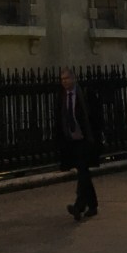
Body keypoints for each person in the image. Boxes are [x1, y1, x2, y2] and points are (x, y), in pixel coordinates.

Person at [56, 67, 100, 220]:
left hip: (84, 139)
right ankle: (92, 205)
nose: (64, 82)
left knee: (82, 171)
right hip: (71, 140)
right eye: (62, 79)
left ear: (74, 79)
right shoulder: (62, 96)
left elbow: (94, 116)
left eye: (66, 78)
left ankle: (79, 206)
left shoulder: (84, 94)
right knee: (83, 172)